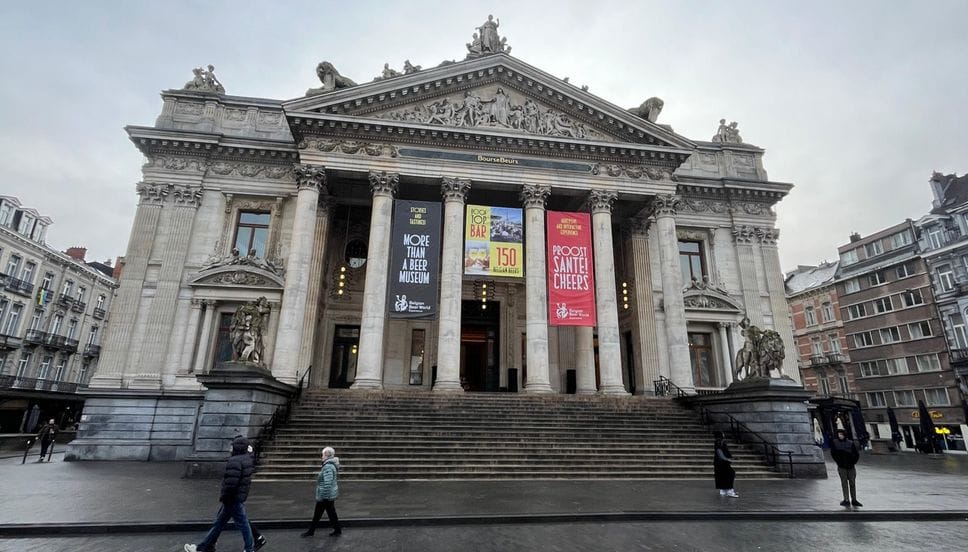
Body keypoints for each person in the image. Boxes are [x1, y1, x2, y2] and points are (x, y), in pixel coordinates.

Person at [185, 436, 256, 552]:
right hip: (237, 497)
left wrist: (225, 497)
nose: (230, 448)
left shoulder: (235, 461)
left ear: (236, 448)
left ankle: (249, 549)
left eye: (232, 446)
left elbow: (231, 483)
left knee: (242, 524)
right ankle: (205, 547)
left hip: (232, 498)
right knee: (219, 523)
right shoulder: (247, 459)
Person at [301, 446, 342, 537]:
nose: (321, 457)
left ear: (326, 455)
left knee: (318, 514)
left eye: (322, 455)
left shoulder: (328, 467)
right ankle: (337, 530)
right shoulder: (330, 465)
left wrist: (324, 496)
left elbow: (328, 482)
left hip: (325, 495)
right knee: (331, 513)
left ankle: (311, 531)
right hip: (328, 495)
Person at [830, 428, 862, 507]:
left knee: (852, 482)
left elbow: (856, 454)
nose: (840, 436)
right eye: (839, 434)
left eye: (841, 434)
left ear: (844, 435)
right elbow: (833, 453)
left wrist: (853, 462)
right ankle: (846, 499)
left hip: (850, 466)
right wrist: (838, 462)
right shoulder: (835, 443)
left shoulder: (850, 443)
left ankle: (854, 499)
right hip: (842, 466)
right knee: (844, 482)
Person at [713, 431, 738, 498]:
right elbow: (719, 451)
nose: (724, 434)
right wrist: (726, 459)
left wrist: (730, 458)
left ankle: (723, 490)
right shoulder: (719, 442)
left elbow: (723, 451)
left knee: (723, 475)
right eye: (722, 434)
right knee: (730, 474)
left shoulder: (719, 441)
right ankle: (730, 491)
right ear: (720, 436)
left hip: (719, 462)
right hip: (722, 462)